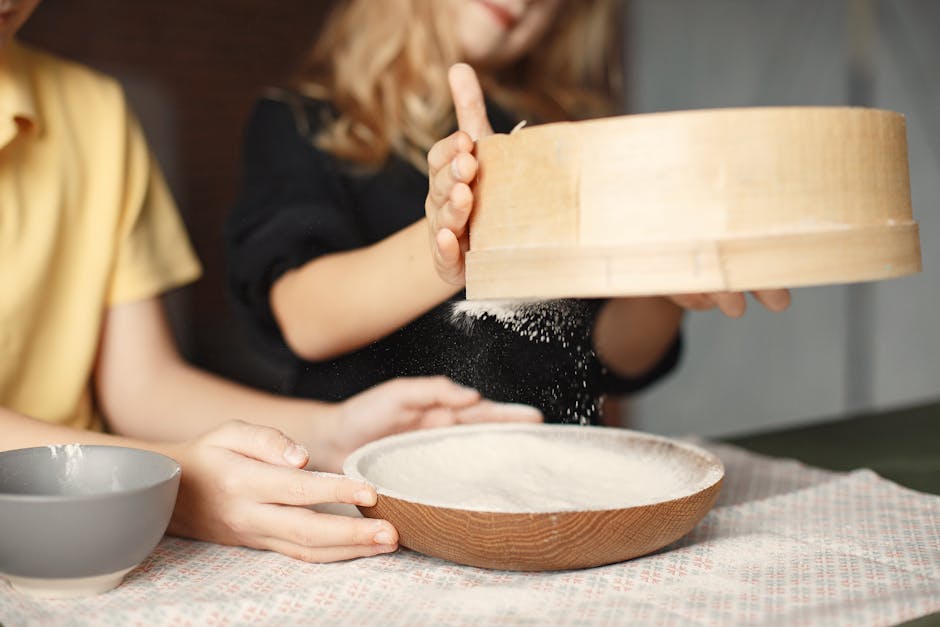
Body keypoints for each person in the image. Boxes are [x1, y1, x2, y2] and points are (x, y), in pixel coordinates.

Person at [0, 0, 541, 565]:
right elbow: (302, 312)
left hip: (93, 533)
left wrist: (328, 433)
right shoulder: (294, 122)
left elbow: (141, 384)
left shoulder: (95, 114)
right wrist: (175, 485)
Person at [226, 0, 790, 427]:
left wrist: (665, 291)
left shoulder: (567, 133)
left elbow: (614, 356)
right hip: (371, 494)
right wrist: (450, 247)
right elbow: (306, 319)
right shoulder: (298, 122)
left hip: (545, 486)